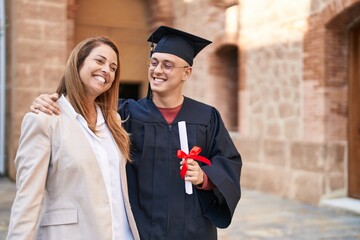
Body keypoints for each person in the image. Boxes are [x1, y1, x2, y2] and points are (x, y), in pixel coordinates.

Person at [30, 26, 242, 240]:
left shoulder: (206, 117)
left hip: (193, 230)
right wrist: (50, 100)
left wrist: (204, 177)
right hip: (141, 230)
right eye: (154, 62)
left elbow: (228, 160)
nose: (157, 70)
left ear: (186, 72)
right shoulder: (124, 114)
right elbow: (82, 108)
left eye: (167, 65)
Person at [8, 36, 140, 240]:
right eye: (99, 61)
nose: (107, 70)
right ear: (78, 63)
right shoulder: (46, 120)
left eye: (113, 68)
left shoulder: (114, 121)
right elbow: (27, 199)